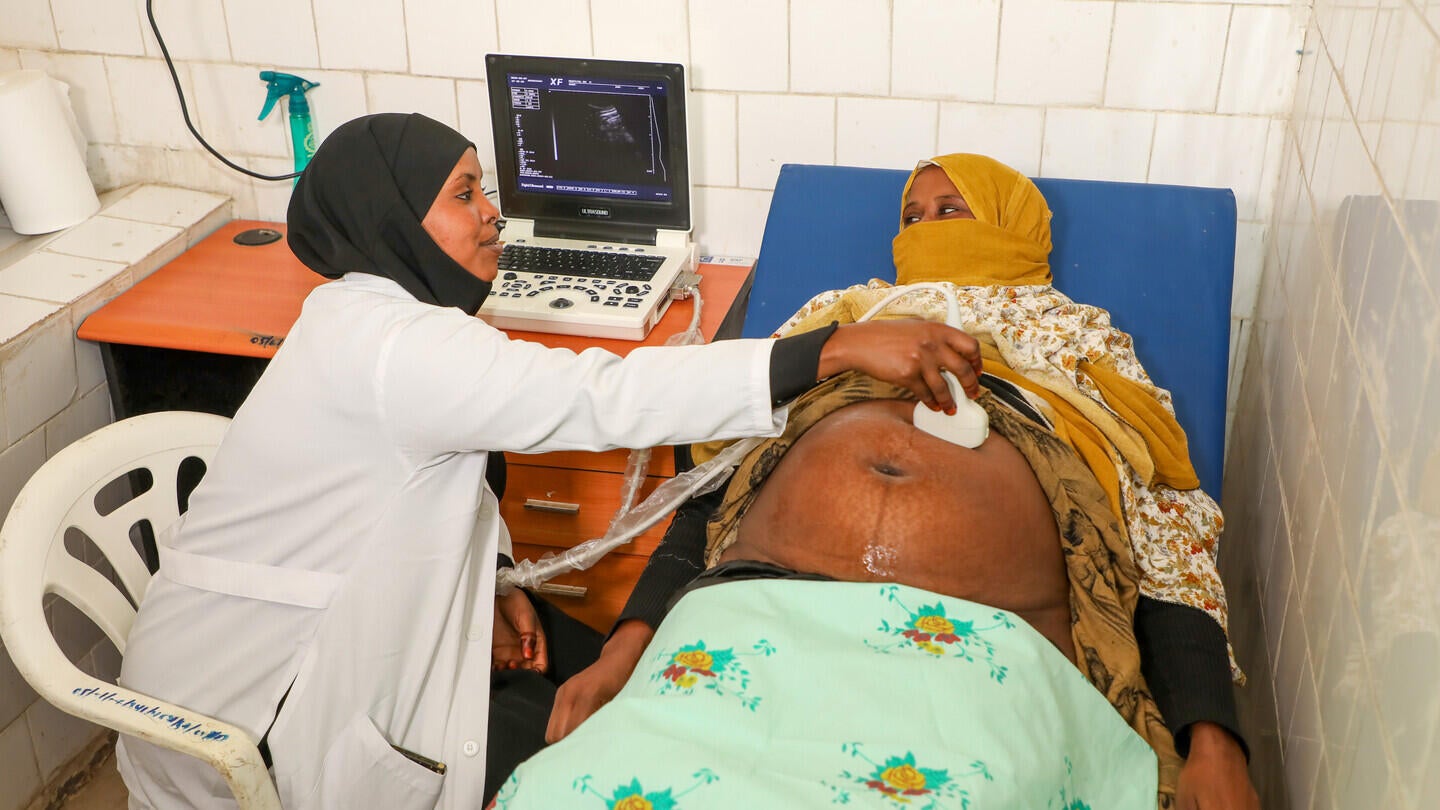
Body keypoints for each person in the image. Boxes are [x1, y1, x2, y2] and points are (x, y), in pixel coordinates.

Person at [111, 114, 987, 810]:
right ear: (394, 218)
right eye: (465, 194)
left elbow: (411, 485)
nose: (493, 212)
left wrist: (494, 579)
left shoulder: (383, 323)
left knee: (613, 679)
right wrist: (831, 351)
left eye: (485, 188)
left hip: (335, 632)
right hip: (254, 709)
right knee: (609, 757)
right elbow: (599, 398)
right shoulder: (391, 345)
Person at [541, 154, 1259, 809]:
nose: (926, 228)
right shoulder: (844, 315)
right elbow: (712, 495)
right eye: (911, 216)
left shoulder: (1081, 340)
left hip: (987, 645)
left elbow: (1170, 547)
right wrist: (621, 653)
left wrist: (1212, 740)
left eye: (952, 210)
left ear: (1015, 227)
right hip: (761, 610)